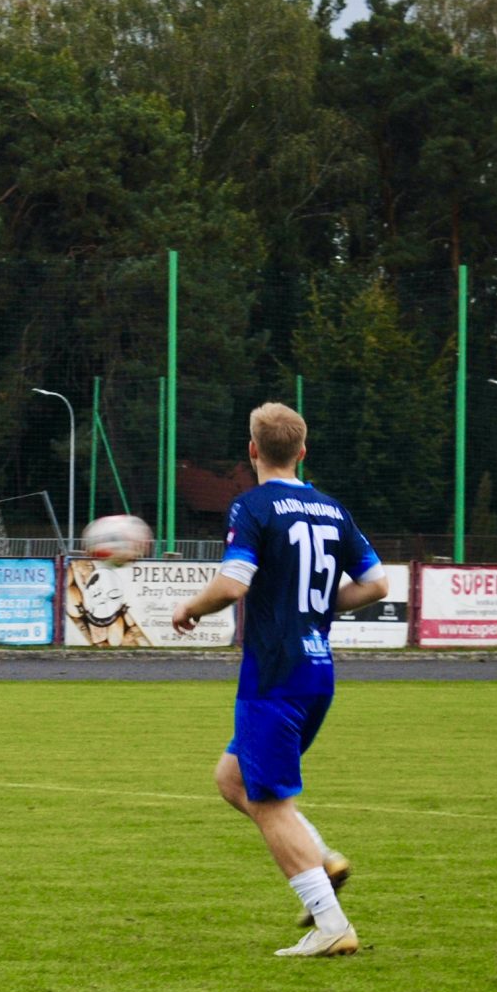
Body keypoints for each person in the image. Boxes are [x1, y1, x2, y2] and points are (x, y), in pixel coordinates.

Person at [170, 402, 390, 958]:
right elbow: (377, 584)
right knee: (232, 779)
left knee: (268, 801)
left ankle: (331, 923)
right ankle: (323, 858)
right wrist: (313, 610)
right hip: (317, 671)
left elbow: (233, 584)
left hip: (273, 676)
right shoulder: (331, 509)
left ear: (252, 451)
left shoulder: (252, 506)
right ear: (303, 451)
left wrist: (189, 608)